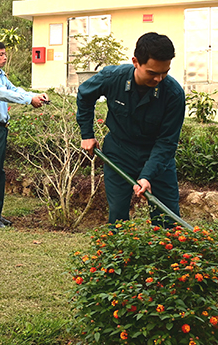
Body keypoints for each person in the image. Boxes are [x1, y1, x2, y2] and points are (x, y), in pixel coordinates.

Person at [76, 32, 185, 225]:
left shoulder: (174, 94)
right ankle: (119, 254)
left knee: (167, 218)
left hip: (157, 157)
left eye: (164, 72)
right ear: (136, 62)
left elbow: (167, 142)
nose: (159, 78)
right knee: (118, 215)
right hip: (119, 152)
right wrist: (87, 135)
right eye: (152, 73)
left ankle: (167, 253)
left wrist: (147, 175)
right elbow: (85, 95)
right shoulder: (113, 77)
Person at [0, 40, 48, 228]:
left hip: (0, 128)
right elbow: (2, 94)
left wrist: (35, 95)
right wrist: (28, 100)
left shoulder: (0, 75)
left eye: (5, 54)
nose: (4, 57)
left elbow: (13, 89)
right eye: (0, 54)